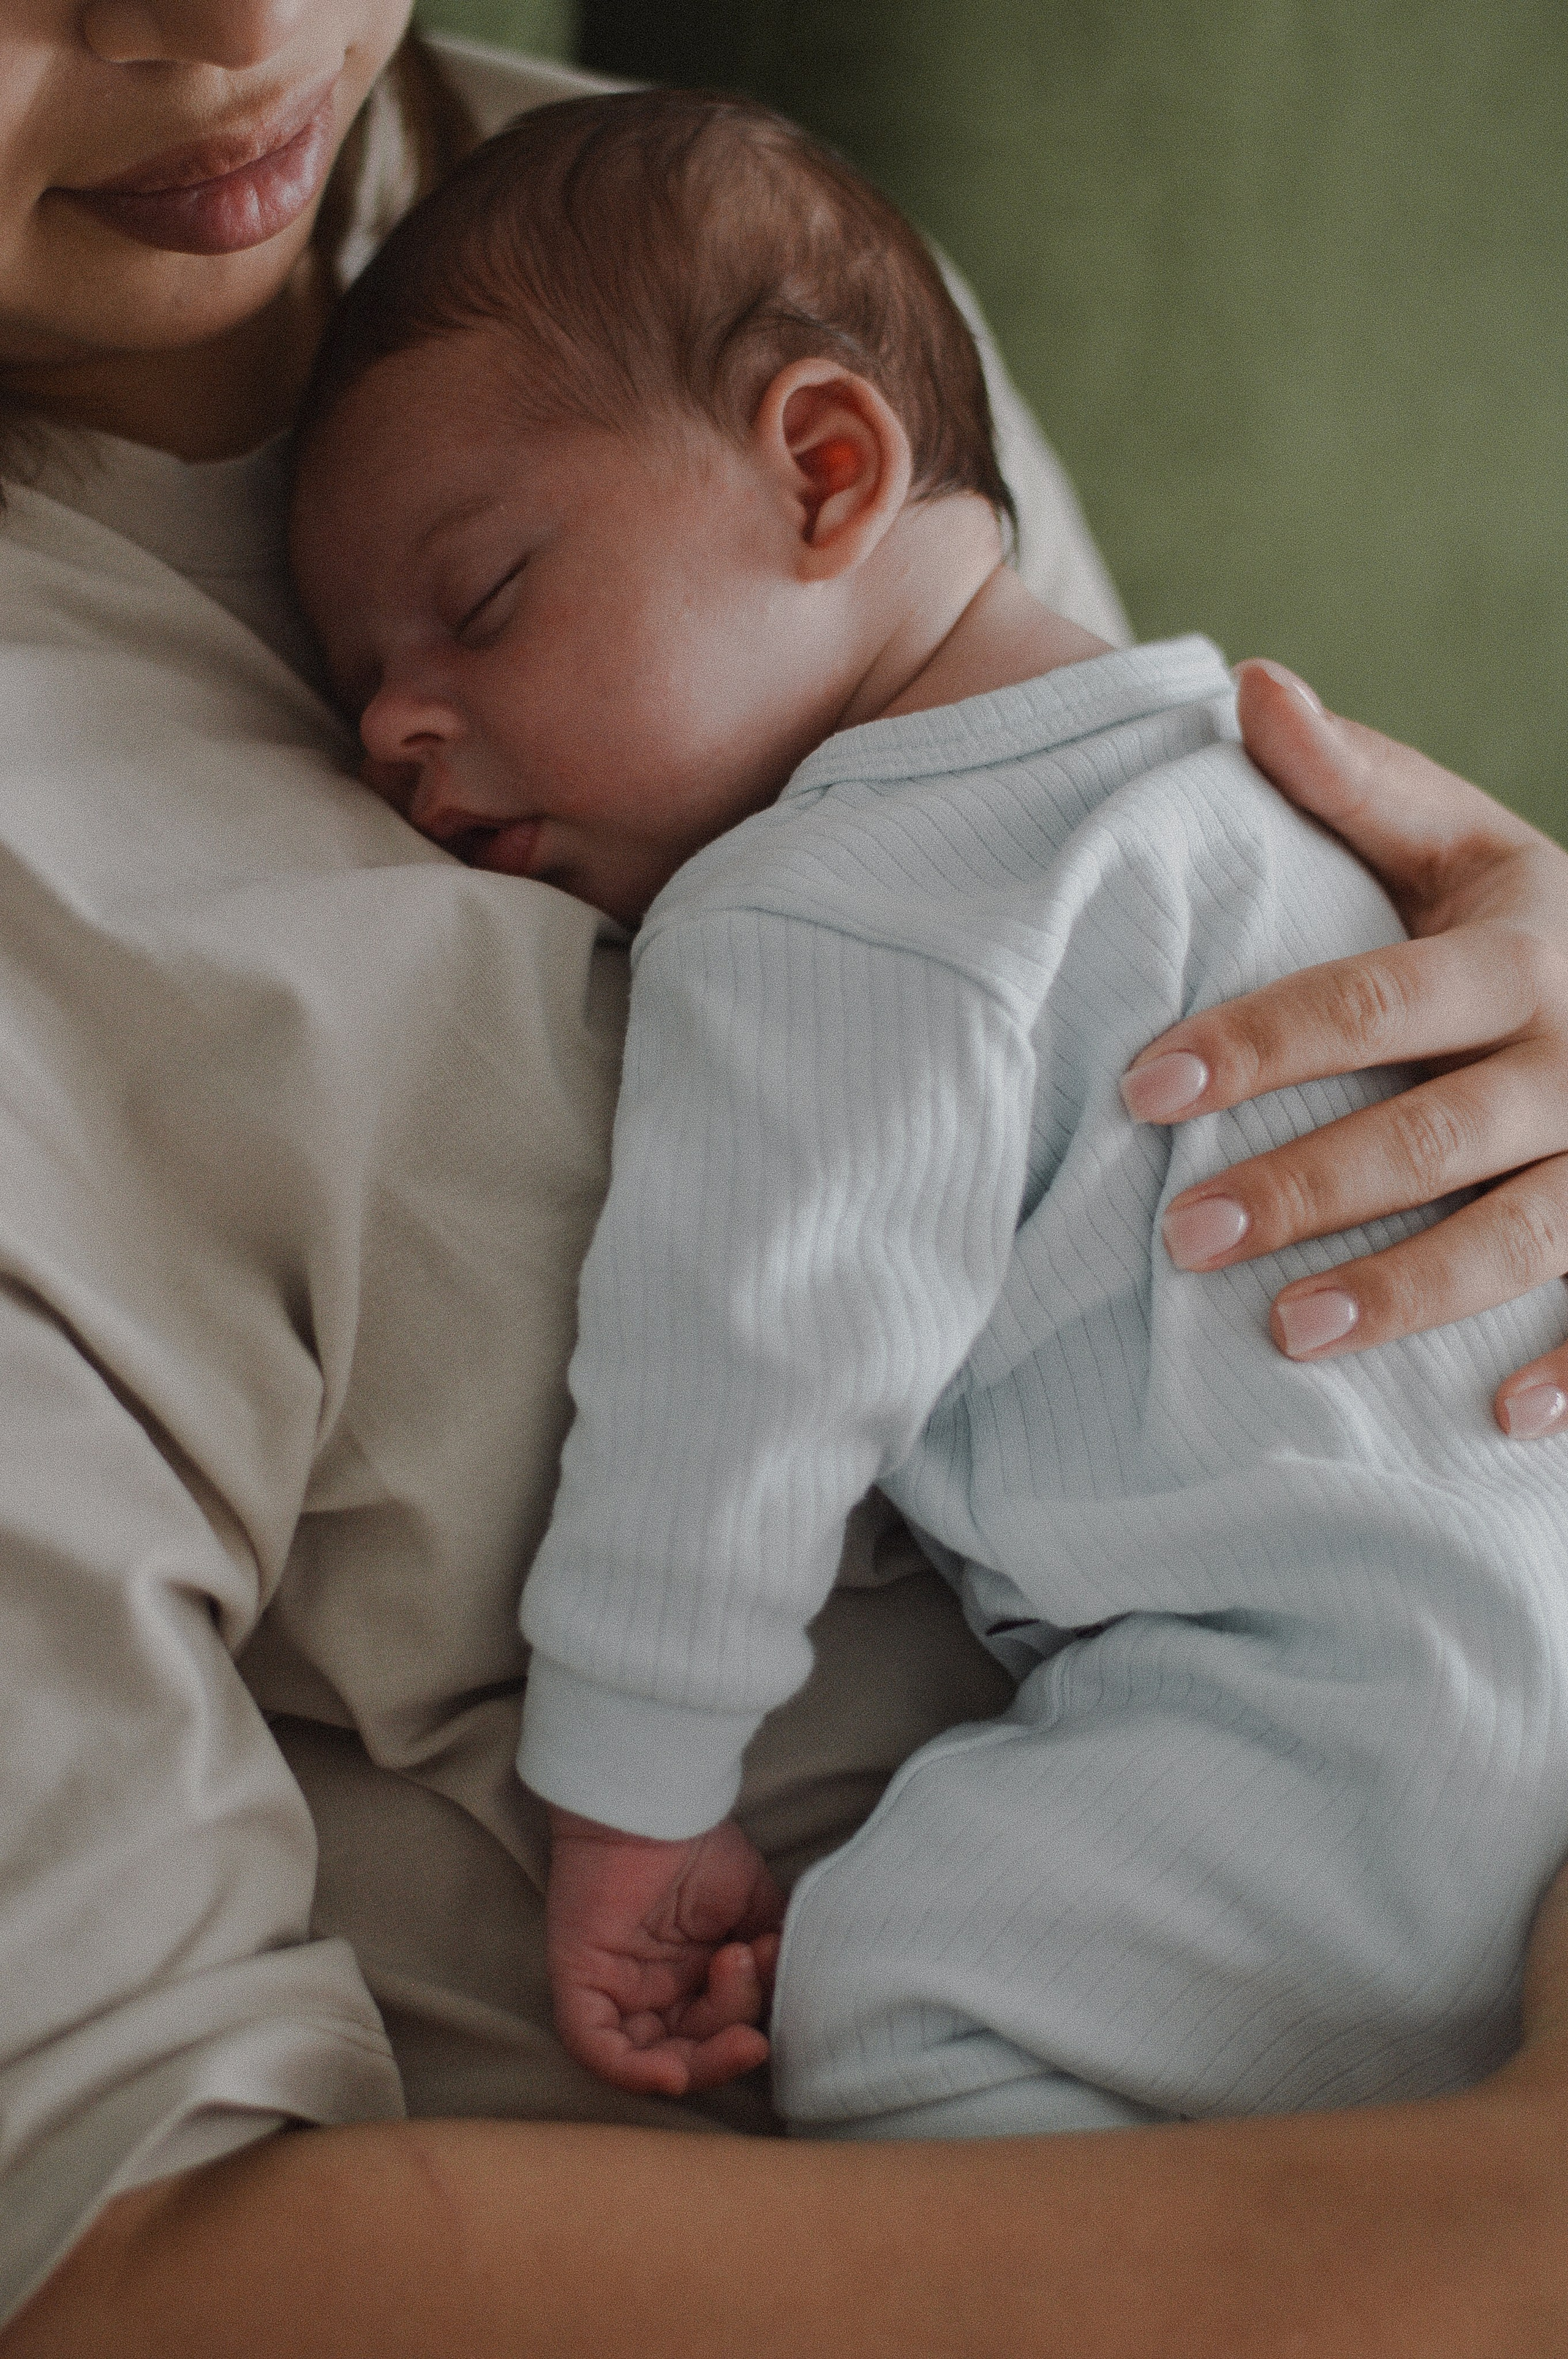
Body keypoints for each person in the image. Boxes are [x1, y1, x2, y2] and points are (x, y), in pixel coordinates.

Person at [3, 4, 1568, 2351]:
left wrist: (1487, 1004)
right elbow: (115, 2262)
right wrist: (1488, 2227)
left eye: (491, 609)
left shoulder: (633, 236)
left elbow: (919, 1212)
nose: (237, 26)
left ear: (830, 465)